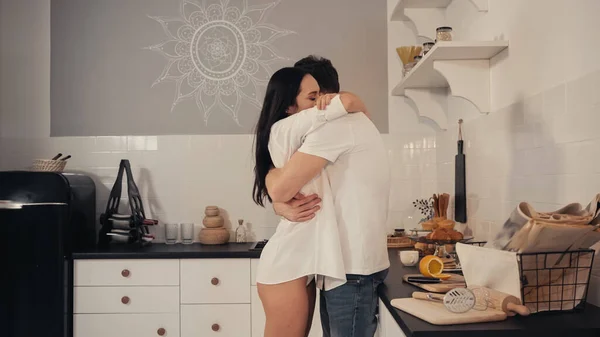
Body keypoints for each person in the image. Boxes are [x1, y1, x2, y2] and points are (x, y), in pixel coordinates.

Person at [269, 56, 391, 337]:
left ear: (324, 99)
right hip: (346, 266)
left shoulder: (334, 127)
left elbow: (281, 188)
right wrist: (280, 205)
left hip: (351, 269)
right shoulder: (344, 123)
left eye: (312, 96)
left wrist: (279, 201)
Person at [252, 66, 369, 337]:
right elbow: (352, 103)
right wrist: (339, 99)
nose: (320, 103)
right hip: (287, 264)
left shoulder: (298, 132)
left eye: (322, 95)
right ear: (289, 106)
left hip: (300, 261)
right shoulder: (289, 125)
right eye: (312, 96)